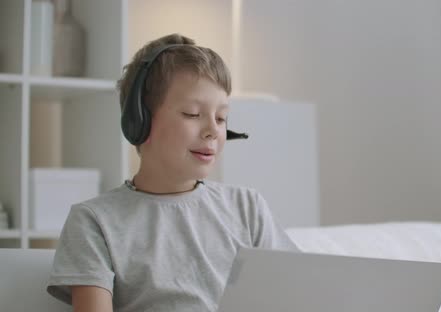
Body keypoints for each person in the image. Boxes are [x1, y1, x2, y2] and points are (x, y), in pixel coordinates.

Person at [46, 33, 298, 312]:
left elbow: (300, 296)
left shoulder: (248, 209)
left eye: (222, 118)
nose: (213, 130)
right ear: (138, 122)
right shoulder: (94, 222)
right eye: (192, 113)